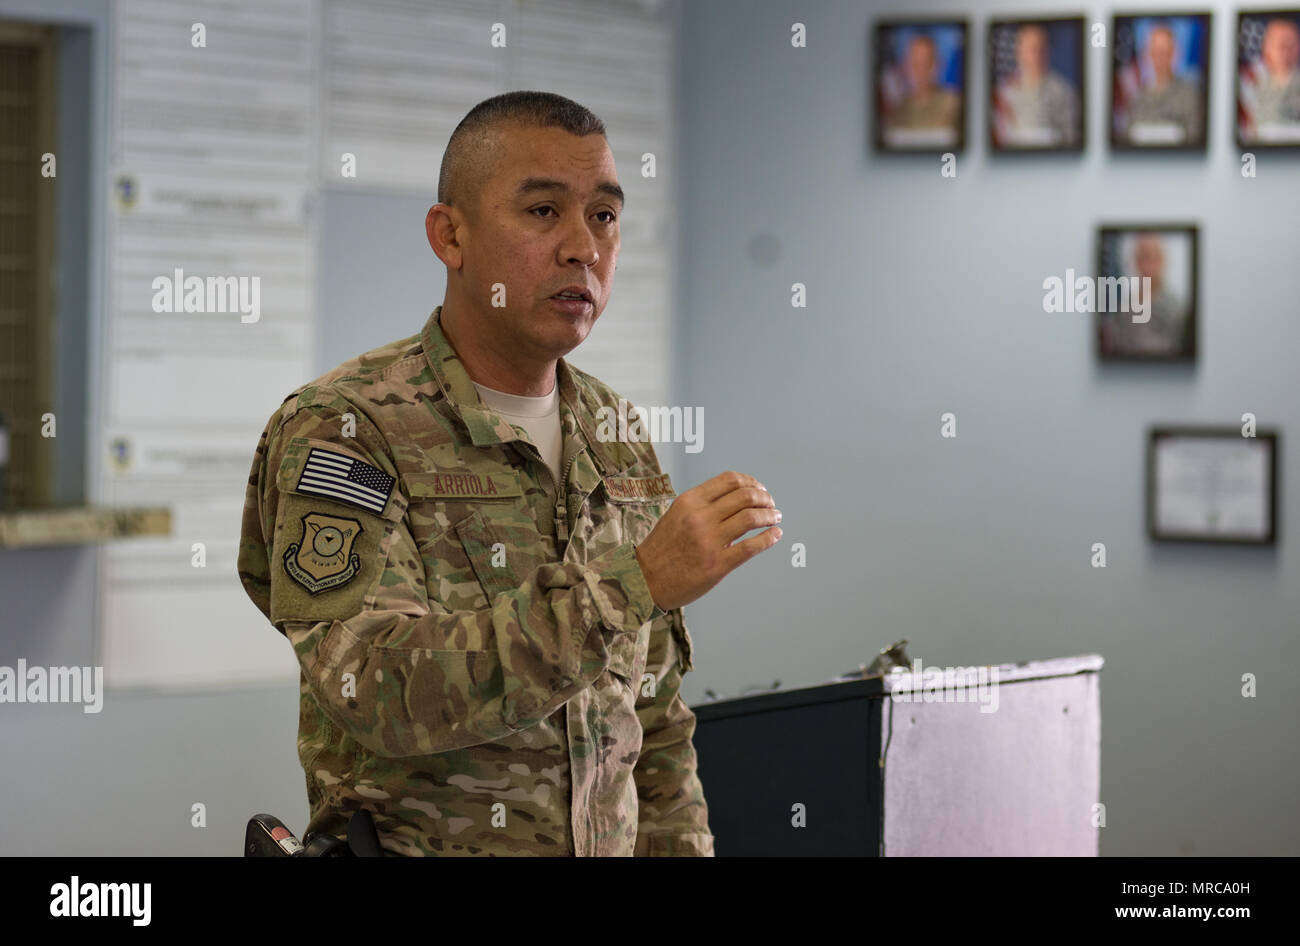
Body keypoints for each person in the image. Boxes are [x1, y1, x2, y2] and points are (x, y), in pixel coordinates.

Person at [237, 91, 783, 856]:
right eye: (542, 212)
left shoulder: (615, 433)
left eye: (604, 216)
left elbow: (652, 722)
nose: (583, 248)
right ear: (450, 235)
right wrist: (631, 585)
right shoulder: (348, 427)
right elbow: (376, 688)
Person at [996, 23, 1080, 146]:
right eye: (1030, 48)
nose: (1035, 54)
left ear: (1048, 51)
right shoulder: (1004, 92)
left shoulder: (1064, 92)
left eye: (1040, 48)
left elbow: (1071, 139)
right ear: (1019, 52)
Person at [1128, 23, 1203, 143]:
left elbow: (1194, 135)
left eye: (1165, 52)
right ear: (1149, 55)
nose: (1161, 58)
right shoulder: (1137, 96)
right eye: (1156, 52)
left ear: (1174, 54)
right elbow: (1130, 135)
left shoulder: (1189, 94)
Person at [890, 33, 961, 131]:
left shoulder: (954, 105)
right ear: (906, 66)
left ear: (938, 64)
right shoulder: (898, 109)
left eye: (926, 63)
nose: (921, 71)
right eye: (916, 63)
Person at [1253, 18, 1300, 132]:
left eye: (1289, 44)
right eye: (1278, 44)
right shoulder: (1251, 85)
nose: (1284, 51)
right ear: (1266, 48)